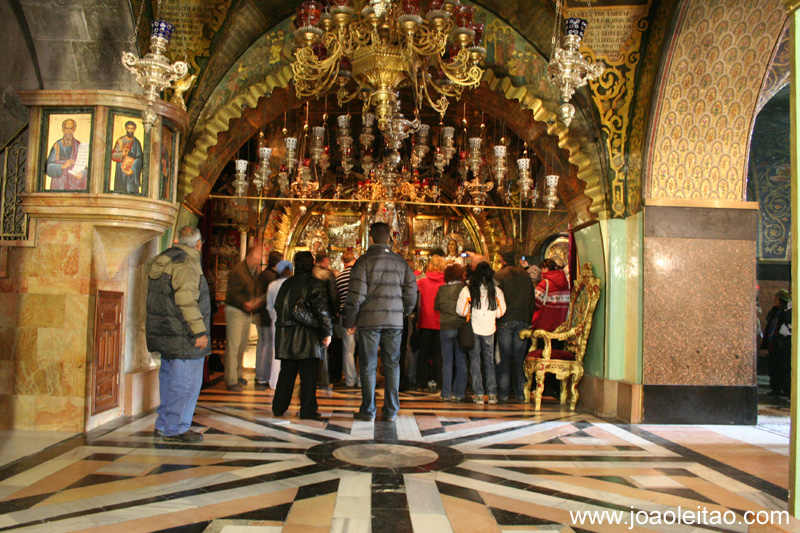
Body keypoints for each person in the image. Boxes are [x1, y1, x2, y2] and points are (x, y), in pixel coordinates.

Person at [342, 222, 417, 422]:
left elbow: (356, 294)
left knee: (368, 366)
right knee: (393, 365)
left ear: (371, 238)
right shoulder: (401, 262)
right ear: (389, 239)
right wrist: (402, 313)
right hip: (394, 322)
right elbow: (411, 293)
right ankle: (391, 410)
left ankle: (368, 410)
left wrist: (350, 319)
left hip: (369, 321)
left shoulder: (363, 261)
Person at [145, 226, 210, 443]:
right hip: (184, 335)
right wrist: (199, 331)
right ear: (198, 244)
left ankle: (164, 424)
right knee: (186, 383)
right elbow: (186, 300)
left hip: (166, 331)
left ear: (177, 240)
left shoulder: (165, 259)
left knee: (170, 380)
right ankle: (176, 428)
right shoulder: (187, 263)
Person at [272, 251, 333, 420]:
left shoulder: (286, 284)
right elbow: (322, 309)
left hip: (285, 335)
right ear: (312, 264)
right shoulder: (314, 284)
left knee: (286, 373)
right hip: (307, 335)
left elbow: (278, 306)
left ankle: (278, 407)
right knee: (308, 376)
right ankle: (307, 410)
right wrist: (327, 331)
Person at [457, 261, 506, 405]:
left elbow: (461, 311)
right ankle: (492, 394)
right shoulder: (496, 291)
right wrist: (492, 314)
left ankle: (478, 394)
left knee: (475, 361)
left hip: (474, 328)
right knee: (489, 361)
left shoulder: (468, 289)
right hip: (490, 328)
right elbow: (501, 312)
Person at [495, 248, 535, 403]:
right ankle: (520, 392)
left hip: (505, 320)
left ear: (501, 259)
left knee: (504, 358)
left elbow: (494, 299)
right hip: (522, 321)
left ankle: (504, 393)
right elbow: (531, 299)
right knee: (520, 358)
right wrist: (528, 320)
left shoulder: (499, 275)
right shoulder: (525, 275)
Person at [224, 247, 262, 391]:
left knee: (241, 346)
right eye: (258, 257)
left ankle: (238, 373)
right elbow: (233, 293)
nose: (259, 260)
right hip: (236, 311)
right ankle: (231, 379)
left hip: (245, 312)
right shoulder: (238, 271)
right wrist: (244, 303)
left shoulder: (253, 271)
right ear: (250, 256)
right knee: (233, 346)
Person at [435, 263, 468, 401]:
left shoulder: (441, 289)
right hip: (460, 327)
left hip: (445, 327)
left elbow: (436, 306)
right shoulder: (463, 289)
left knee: (447, 362)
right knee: (461, 361)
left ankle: (446, 393)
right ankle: (459, 392)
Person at [254, 250, 283, 390]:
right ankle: (264, 376)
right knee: (267, 346)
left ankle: (260, 374)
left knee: (261, 344)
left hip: (261, 313)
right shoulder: (272, 278)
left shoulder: (263, 274)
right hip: (267, 315)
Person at [416, 255, 446, 392]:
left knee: (423, 354)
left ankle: (422, 383)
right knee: (438, 355)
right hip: (440, 322)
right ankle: (439, 382)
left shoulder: (423, 280)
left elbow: (412, 287)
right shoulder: (446, 281)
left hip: (425, 321)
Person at [313, 251, 339, 391]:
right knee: (325, 346)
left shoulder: (311, 273)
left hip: (311, 314)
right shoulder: (327, 274)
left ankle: (313, 377)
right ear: (324, 260)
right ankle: (323, 379)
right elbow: (333, 294)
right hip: (325, 312)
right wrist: (335, 312)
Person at [266, 260, 293, 389]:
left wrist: (274, 317)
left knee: (275, 350)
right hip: (291, 321)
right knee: (289, 351)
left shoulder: (272, 285)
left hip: (276, 320)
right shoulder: (293, 285)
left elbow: (269, 306)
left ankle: (274, 382)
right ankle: (287, 382)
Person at [335, 250, 359, 387]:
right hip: (361, 315)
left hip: (346, 315)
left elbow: (337, 298)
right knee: (363, 350)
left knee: (348, 350)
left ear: (343, 262)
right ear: (355, 260)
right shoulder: (360, 276)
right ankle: (363, 380)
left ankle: (350, 380)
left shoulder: (339, 278)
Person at [763, 289, 791, 397]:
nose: (775, 300)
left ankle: (786, 389)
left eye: (777, 299)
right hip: (773, 342)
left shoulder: (787, 312)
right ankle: (775, 388)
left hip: (782, 343)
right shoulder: (774, 311)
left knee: (783, 367)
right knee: (773, 366)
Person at [45, 118, 87, 190]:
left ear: (74, 129)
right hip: (60, 182)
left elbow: (84, 166)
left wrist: (82, 173)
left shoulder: (78, 145)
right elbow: (48, 167)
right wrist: (63, 166)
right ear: (63, 129)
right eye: (66, 129)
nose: (68, 132)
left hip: (75, 182)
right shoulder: (57, 146)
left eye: (71, 129)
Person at [531, 259, 570, 333]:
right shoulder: (565, 283)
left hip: (545, 325)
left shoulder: (544, 284)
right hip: (561, 325)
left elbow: (535, 303)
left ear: (546, 268)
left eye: (542, 268)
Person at [111, 120, 144, 194]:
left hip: (131, 172)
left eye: (132, 129)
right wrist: (122, 154)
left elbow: (139, 158)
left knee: (131, 190)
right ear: (126, 128)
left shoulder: (137, 142)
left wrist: (133, 169)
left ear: (134, 129)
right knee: (121, 190)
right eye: (128, 128)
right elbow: (113, 155)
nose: (130, 130)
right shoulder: (121, 141)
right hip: (121, 169)